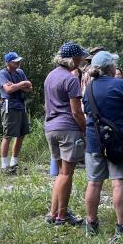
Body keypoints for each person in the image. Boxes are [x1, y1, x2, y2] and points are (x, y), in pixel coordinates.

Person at [82, 51, 123, 239]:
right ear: (111, 67)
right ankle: (121, 226)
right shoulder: (121, 84)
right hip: (117, 141)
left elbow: (87, 113)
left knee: (94, 183)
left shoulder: (88, 88)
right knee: (119, 182)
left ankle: (91, 224)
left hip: (94, 140)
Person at [43, 42, 87, 226]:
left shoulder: (50, 77)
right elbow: (76, 112)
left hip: (51, 128)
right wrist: (84, 129)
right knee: (67, 174)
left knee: (61, 173)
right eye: (79, 57)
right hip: (68, 129)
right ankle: (62, 216)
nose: (81, 61)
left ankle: (53, 213)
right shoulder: (70, 79)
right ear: (72, 59)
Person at [0, 52, 32, 174]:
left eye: (18, 60)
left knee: (21, 134)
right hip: (9, 106)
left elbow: (29, 87)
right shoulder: (3, 73)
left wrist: (17, 86)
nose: (18, 62)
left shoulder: (20, 72)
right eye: (15, 61)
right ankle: (4, 165)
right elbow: (8, 90)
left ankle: (14, 163)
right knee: (8, 135)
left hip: (21, 105)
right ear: (8, 62)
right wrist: (22, 84)